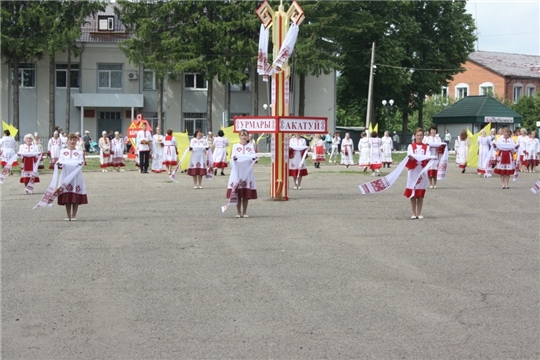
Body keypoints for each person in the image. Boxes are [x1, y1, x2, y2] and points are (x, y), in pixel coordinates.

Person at [226, 129, 258, 218]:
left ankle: (244, 212)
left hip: (247, 172)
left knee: (245, 193)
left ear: (248, 136)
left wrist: (254, 158)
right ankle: (238, 211)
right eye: (242, 135)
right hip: (237, 171)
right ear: (239, 136)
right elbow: (232, 158)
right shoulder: (235, 146)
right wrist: (234, 159)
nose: (243, 137)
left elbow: (253, 156)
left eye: (245, 135)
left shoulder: (251, 146)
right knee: (238, 192)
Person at [57, 133, 88, 221]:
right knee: (67, 195)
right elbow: (61, 161)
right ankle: (68, 215)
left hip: (76, 176)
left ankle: (74, 215)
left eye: (74, 140)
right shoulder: (63, 151)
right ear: (68, 141)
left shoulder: (79, 152)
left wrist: (77, 163)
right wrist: (59, 164)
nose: (72, 141)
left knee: (75, 193)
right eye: (71, 140)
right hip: (66, 175)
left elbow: (81, 162)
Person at [405, 128, 430, 219]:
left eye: (421, 135)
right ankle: (413, 212)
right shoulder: (411, 146)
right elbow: (410, 155)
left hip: (422, 171)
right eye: (418, 135)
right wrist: (412, 157)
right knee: (413, 192)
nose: (419, 137)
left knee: (420, 193)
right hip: (413, 171)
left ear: (423, 136)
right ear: (415, 136)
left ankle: (419, 212)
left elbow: (427, 156)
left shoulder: (426, 147)